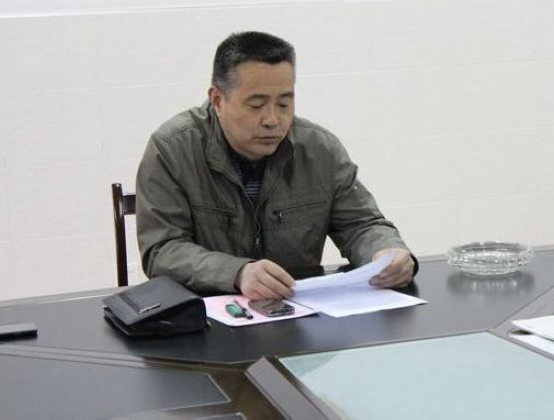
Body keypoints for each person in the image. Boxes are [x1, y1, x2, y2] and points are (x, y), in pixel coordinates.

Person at [136, 31, 418, 300]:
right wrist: (237, 273)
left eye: (284, 104)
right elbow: (162, 250)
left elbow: (361, 225)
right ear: (218, 100)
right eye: (256, 105)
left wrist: (387, 252)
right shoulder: (173, 149)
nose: (272, 120)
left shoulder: (319, 150)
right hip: (207, 317)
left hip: (297, 313)